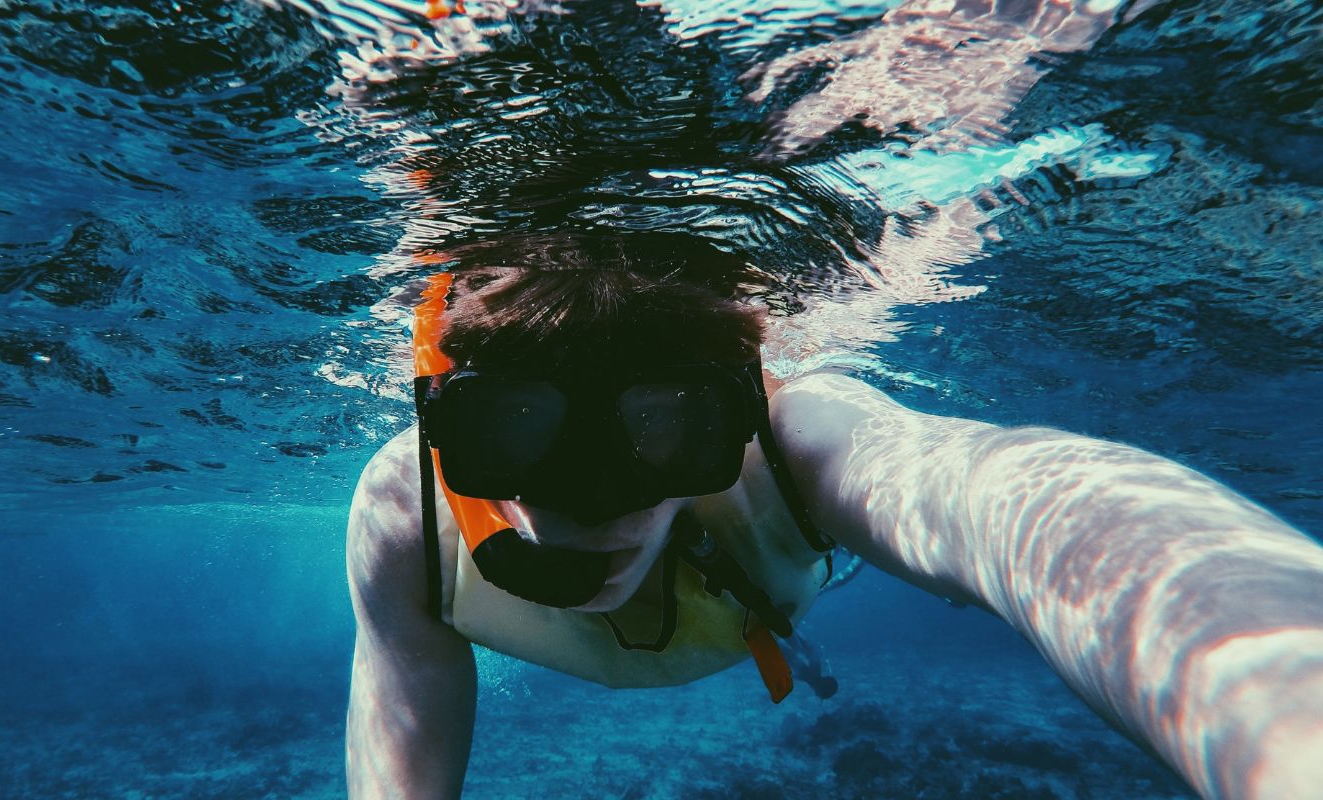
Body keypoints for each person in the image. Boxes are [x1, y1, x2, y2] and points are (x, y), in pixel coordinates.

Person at [345, 259, 1323, 800]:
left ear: (729, 413)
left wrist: (1282, 705)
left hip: (799, 563)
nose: (589, 497)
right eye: (511, 431)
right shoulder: (406, 514)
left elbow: (1021, 504)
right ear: (449, 426)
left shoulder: (799, 440)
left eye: (667, 428)